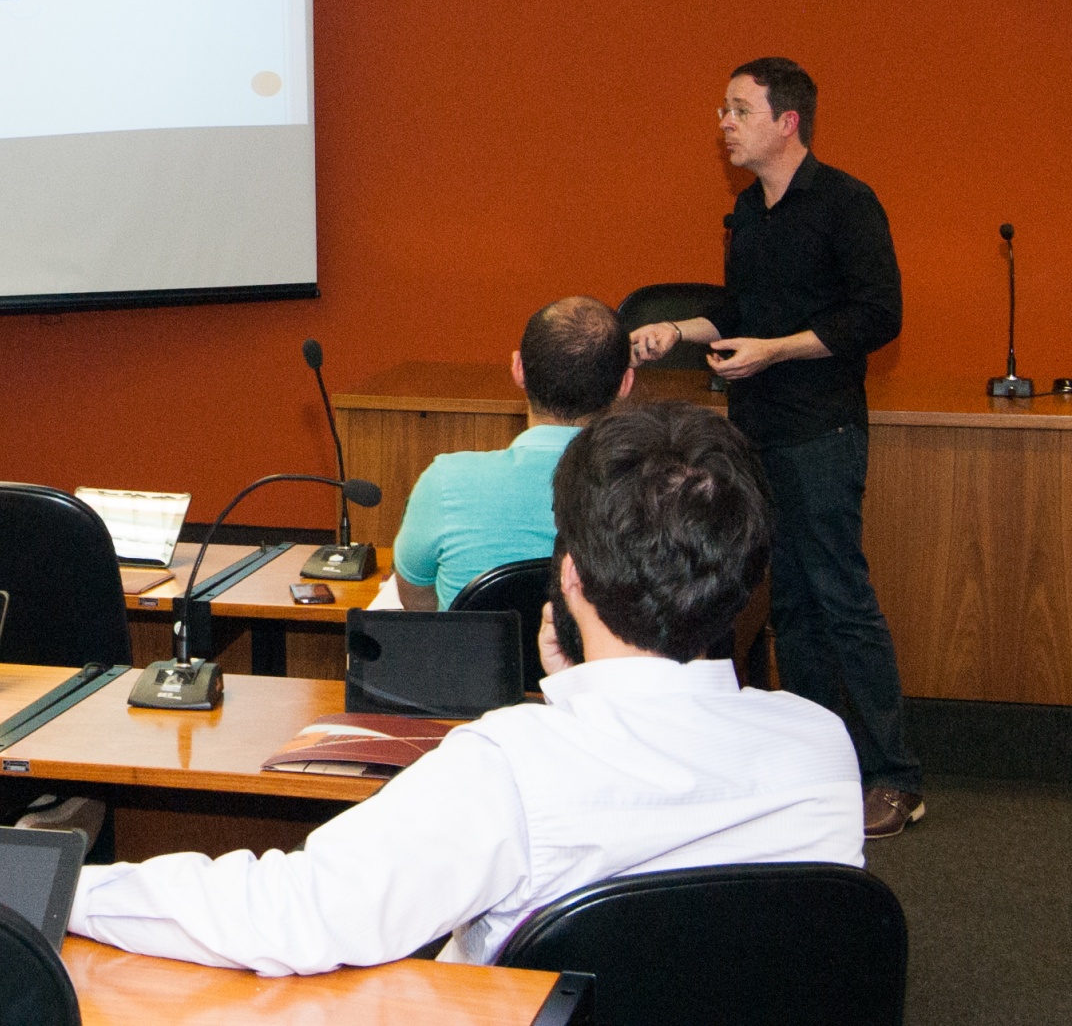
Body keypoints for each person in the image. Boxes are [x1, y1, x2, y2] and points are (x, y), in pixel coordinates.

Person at [69, 402, 862, 972]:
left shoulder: (509, 768)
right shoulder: (820, 746)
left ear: (572, 580)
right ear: (742, 582)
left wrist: (58, 883)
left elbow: (292, 914)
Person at [630, 57, 920, 839]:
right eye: (722, 108)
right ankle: (822, 766)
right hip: (757, 433)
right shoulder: (749, 215)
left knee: (840, 600)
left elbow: (878, 315)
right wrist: (681, 331)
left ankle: (894, 775)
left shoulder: (846, 204)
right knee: (787, 606)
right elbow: (738, 311)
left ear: (786, 122)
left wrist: (779, 350)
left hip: (820, 430)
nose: (722, 122)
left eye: (737, 109)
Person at [392, 296, 632, 611]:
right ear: (625, 383)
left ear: (518, 369)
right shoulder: (653, 489)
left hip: (472, 659)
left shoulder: (444, 482)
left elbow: (419, 605)